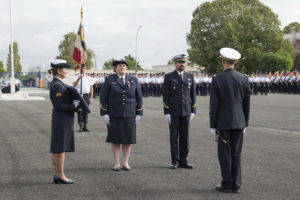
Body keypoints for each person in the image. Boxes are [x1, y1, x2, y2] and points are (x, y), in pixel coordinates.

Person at [209, 48, 251, 193]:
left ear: (222, 61)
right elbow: (246, 103)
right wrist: (246, 122)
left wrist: (213, 125)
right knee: (236, 154)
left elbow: (214, 105)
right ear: (236, 62)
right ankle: (236, 184)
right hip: (239, 122)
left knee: (225, 154)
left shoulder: (217, 79)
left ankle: (227, 184)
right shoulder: (244, 78)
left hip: (224, 123)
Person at [100, 59, 143, 171]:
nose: (122, 67)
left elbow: (139, 97)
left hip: (130, 114)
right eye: (120, 66)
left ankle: (126, 162)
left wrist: (139, 113)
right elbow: (103, 97)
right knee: (115, 139)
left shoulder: (133, 80)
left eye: (124, 66)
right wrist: (104, 113)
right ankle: (117, 163)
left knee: (128, 139)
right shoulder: (109, 80)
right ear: (115, 68)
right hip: (114, 114)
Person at [48, 59, 80, 184]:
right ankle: (60, 175)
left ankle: (57, 174)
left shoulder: (58, 83)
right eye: (65, 69)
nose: (67, 71)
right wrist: (75, 106)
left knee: (57, 149)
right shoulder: (57, 85)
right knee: (60, 150)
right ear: (59, 71)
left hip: (61, 119)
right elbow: (59, 105)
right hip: (62, 119)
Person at [162, 54, 196, 169]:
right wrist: (166, 111)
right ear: (175, 64)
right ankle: (175, 160)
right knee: (174, 137)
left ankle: (184, 160)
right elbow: (166, 95)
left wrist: (193, 110)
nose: (182, 64)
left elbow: (193, 94)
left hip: (186, 111)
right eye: (180, 62)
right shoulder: (169, 77)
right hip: (174, 111)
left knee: (185, 137)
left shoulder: (190, 76)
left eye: (184, 62)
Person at [73, 64, 94, 132]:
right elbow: (74, 85)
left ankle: (85, 126)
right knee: (79, 111)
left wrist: (91, 97)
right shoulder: (76, 76)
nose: (83, 70)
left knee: (86, 111)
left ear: (86, 69)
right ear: (80, 69)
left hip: (86, 95)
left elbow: (91, 88)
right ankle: (81, 126)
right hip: (78, 95)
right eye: (82, 68)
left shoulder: (89, 78)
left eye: (84, 68)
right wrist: (79, 78)